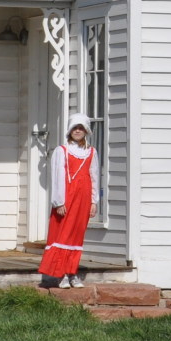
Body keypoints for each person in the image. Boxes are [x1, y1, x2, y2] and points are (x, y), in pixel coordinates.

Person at [38, 114, 96, 288]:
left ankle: (72, 273)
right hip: (67, 197)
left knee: (76, 235)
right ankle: (60, 273)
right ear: (70, 130)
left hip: (83, 197)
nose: (77, 131)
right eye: (75, 128)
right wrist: (59, 201)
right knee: (63, 233)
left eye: (81, 128)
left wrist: (94, 201)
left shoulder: (91, 152)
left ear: (86, 131)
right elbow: (57, 177)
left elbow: (94, 177)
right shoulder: (61, 150)